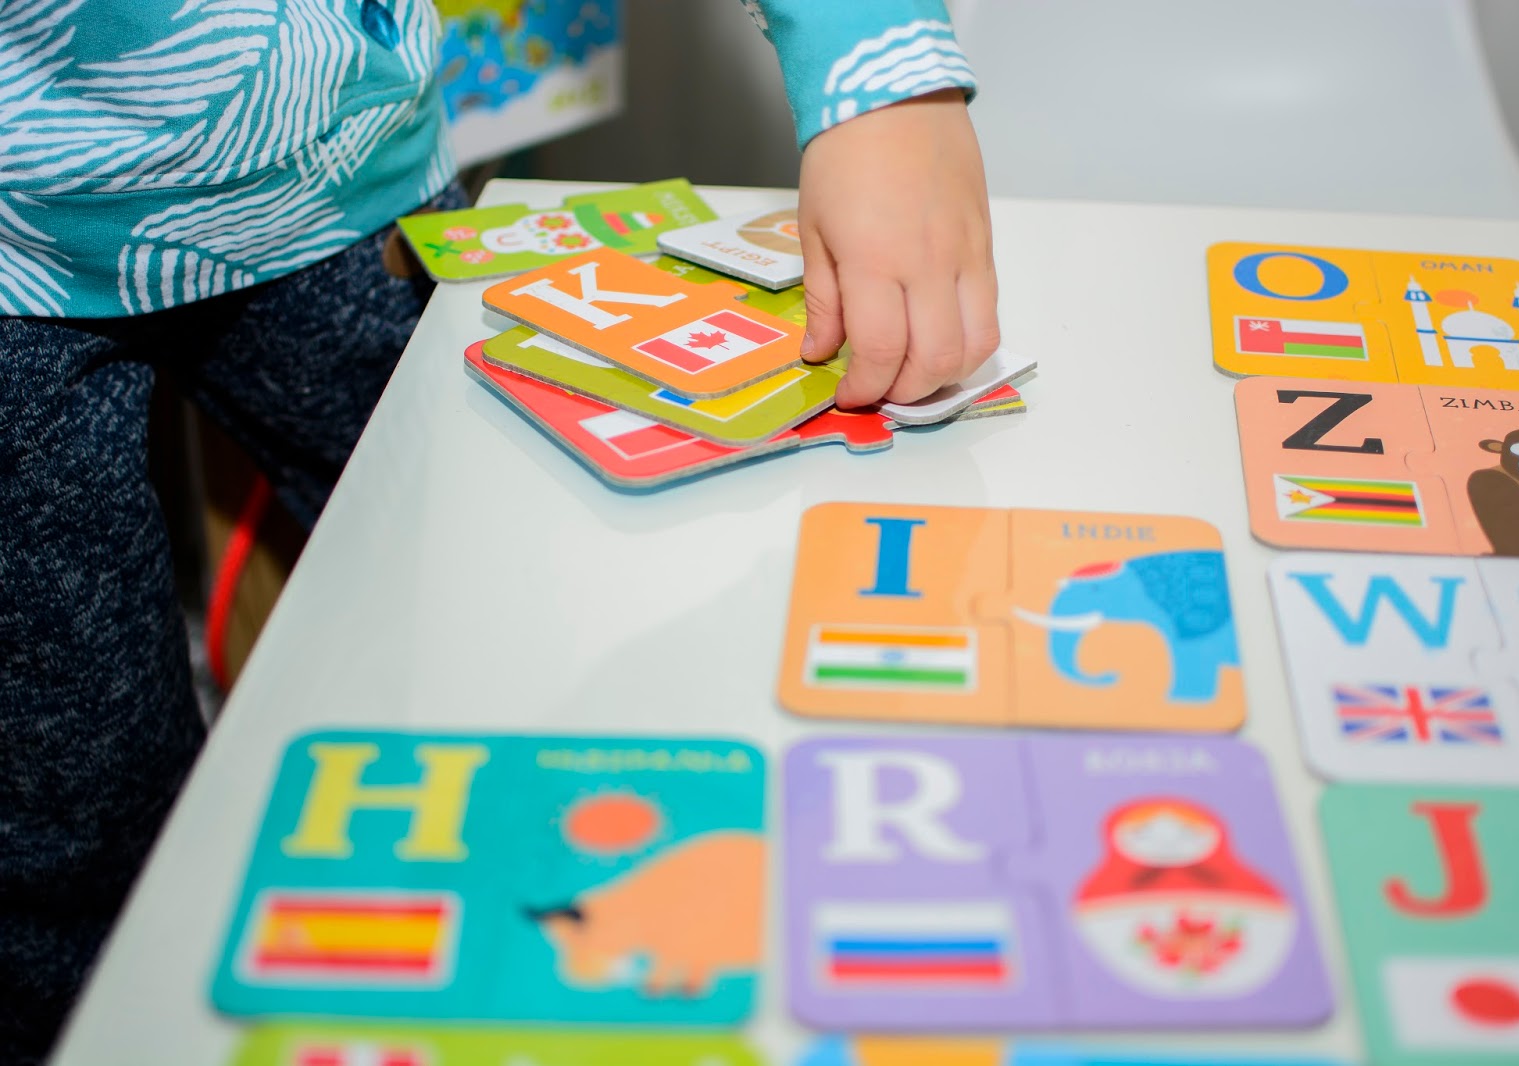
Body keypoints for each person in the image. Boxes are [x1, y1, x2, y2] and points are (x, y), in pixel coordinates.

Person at [0, 1, 998, 1060]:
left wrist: (875, 69)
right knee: (72, 810)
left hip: (341, 167)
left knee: (506, 624)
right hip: (21, 245)